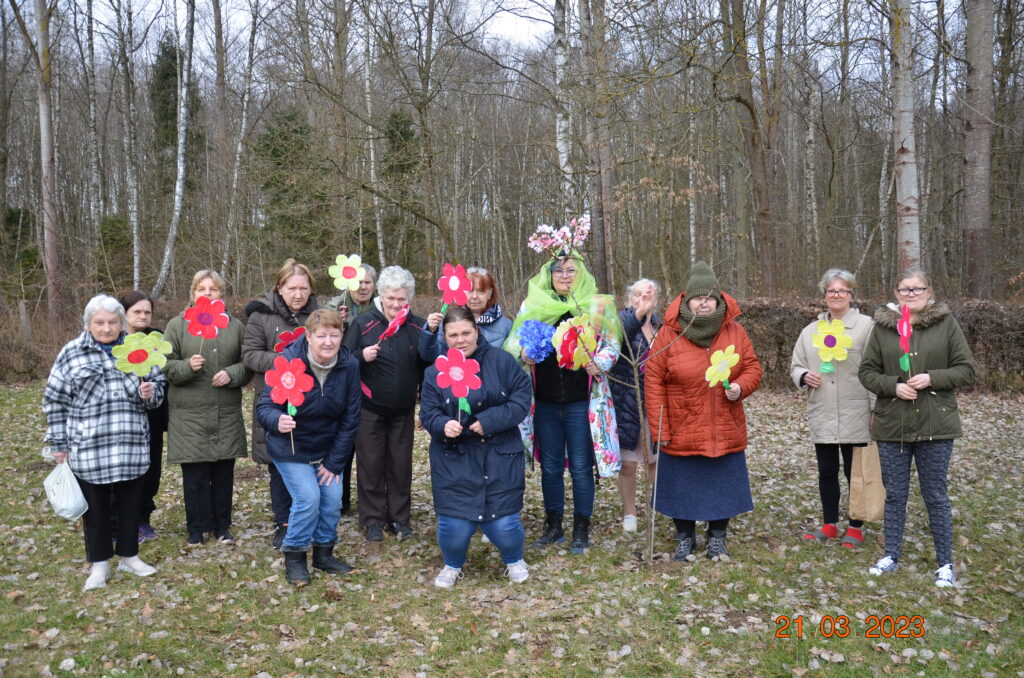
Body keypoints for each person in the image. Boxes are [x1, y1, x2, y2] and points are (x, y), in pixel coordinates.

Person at [858, 269, 974, 587]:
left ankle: (945, 564)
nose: (911, 294)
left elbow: (966, 369)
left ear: (929, 291)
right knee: (895, 494)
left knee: (935, 495)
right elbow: (867, 371)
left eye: (917, 288)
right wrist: (892, 386)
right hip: (892, 425)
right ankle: (891, 555)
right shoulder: (883, 328)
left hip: (936, 424)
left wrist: (932, 377)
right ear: (896, 293)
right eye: (905, 289)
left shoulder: (946, 324)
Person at [43, 294, 165, 590]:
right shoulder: (71, 352)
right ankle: (99, 565)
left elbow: (158, 391)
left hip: (130, 442)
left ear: (122, 323)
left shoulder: (139, 351)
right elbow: (55, 400)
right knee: (95, 508)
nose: (107, 328)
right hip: (90, 445)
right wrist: (58, 442)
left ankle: (129, 556)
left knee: (129, 503)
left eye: (112, 322)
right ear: (89, 323)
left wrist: (149, 394)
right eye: (100, 322)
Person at [504, 251, 621, 554]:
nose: (565, 276)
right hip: (544, 402)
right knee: (552, 467)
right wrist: (524, 354)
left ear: (581, 273)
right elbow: (516, 341)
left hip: (580, 402)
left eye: (571, 270)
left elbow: (613, 343)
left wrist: (601, 362)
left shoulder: (596, 306)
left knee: (582, 467)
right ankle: (553, 525)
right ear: (549, 275)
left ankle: (581, 528)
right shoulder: (534, 304)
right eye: (559, 271)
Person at [645, 261, 762, 562]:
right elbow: (654, 380)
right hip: (681, 426)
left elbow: (752, 368)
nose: (705, 303)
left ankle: (717, 538)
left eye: (710, 298)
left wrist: (740, 387)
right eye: (699, 298)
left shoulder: (734, 331)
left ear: (719, 300)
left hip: (723, 424)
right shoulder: (667, 335)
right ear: (687, 300)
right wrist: (661, 429)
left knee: (720, 486)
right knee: (681, 488)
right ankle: (685, 537)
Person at [420, 306, 533, 588]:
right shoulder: (435, 372)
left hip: (498, 454)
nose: (460, 340)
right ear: (444, 337)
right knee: (454, 529)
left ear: (476, 331)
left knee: (504, 526)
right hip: (454, 458)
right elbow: (429, 411)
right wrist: (443, 425)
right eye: (453, 334)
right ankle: (452, 563)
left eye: (466, 333)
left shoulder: (502, 362)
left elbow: (521, 398)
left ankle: (514, 558)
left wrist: (490, 420)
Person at [256, 309, 361, 585]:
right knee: (308, 498)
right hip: (291, 448)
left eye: (334, 335)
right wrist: (277, 420)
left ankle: (324, 554)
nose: (328, 342)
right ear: (309, 336)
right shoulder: (287, 361)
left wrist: (334, 462)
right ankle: (295, 555)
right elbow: (264, 406)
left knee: (332, 498)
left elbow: (351, 418)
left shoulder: (349, 366)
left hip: (327, 449)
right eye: (322, 335)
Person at [164, 270, 253, 546]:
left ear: (221, 294)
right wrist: (186, 366)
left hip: (224, 412)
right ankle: (196, 528)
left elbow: (247, 362)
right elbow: (165, 364)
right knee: (195, 477)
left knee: (223, 475)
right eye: (201, 289)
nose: (207, 293)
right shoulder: (177, 325)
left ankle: (222, 526)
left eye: (213, 289)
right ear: (193, 293)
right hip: (188, 415)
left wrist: (232, 374)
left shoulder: (235, 326)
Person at [790, 269, 875, 548]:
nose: (836, 296)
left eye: (842, 291)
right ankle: (829, 524)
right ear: (824, 295)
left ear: (851, 294)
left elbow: (877, 369)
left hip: (857, 411)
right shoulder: (810, 331)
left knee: (855, 472)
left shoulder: (867, 326)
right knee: (827, 471)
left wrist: (876, 409)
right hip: (823, 409)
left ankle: (855, 526)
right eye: (831, 291)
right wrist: (803, 376)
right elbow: (797, 365)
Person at [342, 265, 426, 542]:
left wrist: (425, 402)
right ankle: (372, 520)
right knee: (371, 465)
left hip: (403, 411)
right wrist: (360, 356)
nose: (395, 304)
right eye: (391, 298)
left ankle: (400, 519)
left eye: (402, 299)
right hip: (369, 409)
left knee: (400, 467)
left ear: (409, 298)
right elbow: (343, 362)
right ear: (381, 295)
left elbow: (428, 366)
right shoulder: (362, 324)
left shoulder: (417, 326)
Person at [242, 259, 320, 549]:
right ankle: (283, 522)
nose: (298, 294)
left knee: (307, 460)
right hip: (274, 399)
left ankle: (307, 517)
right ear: (280, 287)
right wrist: (284, 362)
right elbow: (250, 355)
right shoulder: (260, 316)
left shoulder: (318, 315)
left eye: (303, 288)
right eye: (292, 288)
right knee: (279, 462)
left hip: (310, 400)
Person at [118, 290, 171, 542]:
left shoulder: (156, 341)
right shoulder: (113, 341)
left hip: (151, 418)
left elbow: (163, 377)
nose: (142, 316)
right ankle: (119, 522)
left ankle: (143, 519)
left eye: (146, 312)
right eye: (136, 312)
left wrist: (152, 392)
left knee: (150, 472)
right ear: (124, 314)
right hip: (119, 420)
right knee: (123, 473)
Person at [609, 278, 661, 533]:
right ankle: (630, 513)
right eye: (637, 295)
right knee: (628, 463)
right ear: (630, 299)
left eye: (647, 295)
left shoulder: (663, 327)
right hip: (626, 400)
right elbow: (618, 339)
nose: (642, 299)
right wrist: (639, 314)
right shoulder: (620, 322)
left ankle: (655, 506)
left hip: (654, 400)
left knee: (654, 460)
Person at [419, 266, 514, 362]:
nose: (474, 296)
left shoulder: (506, 326)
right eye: (470, 290)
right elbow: (429, 356)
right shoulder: (447, 324)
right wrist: (431, 332)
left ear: (489, 293)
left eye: (480, 291)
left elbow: (511, 362)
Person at [326, 263, 377, 328]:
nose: (363, 287)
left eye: (367, 282)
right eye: (359, 282)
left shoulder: (384, 307)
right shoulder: (333, 309)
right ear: (348, 286)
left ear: (374, 286)